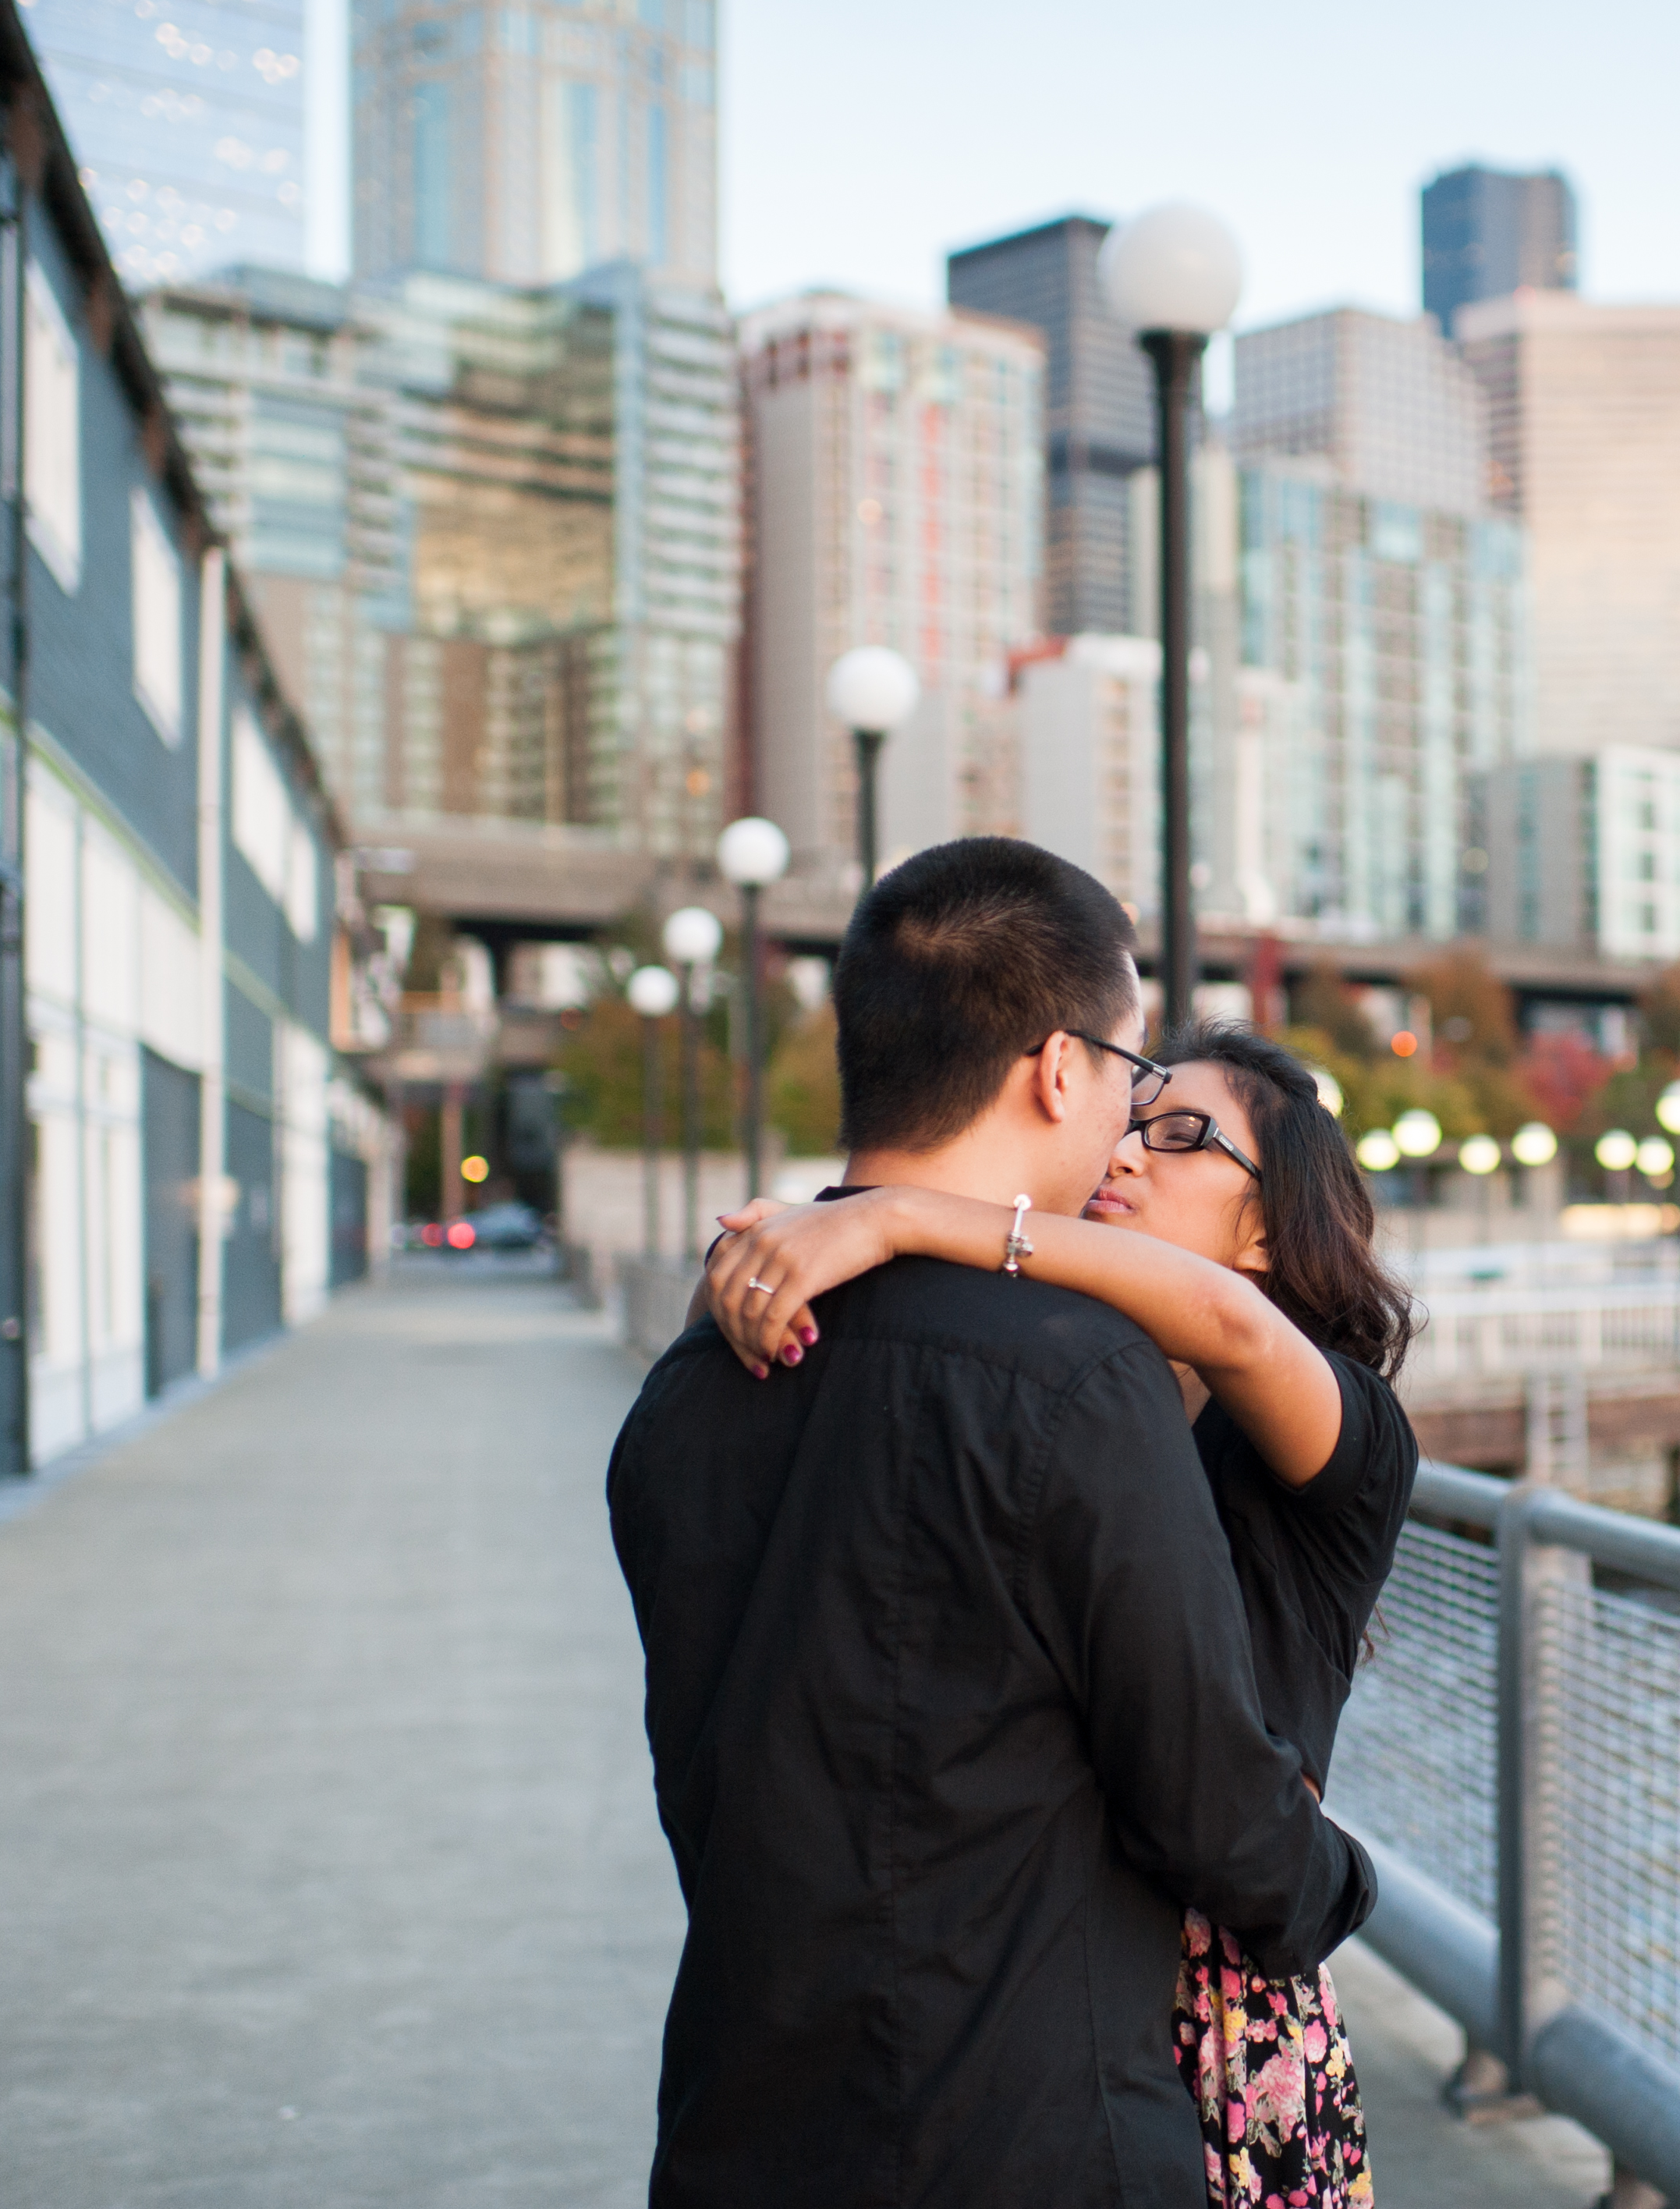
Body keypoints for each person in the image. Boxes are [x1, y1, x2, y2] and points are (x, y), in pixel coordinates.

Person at [604, 839, 1373, 2209]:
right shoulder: (1079, 1381)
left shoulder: (691, 1383)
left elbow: (706, 1788)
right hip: (1029, 2132)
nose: (1132, 1133)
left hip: (740, 2126)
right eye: (1138, 1084)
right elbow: (1215, 1810)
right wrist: (1336, 1886)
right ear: (1061, 1068)